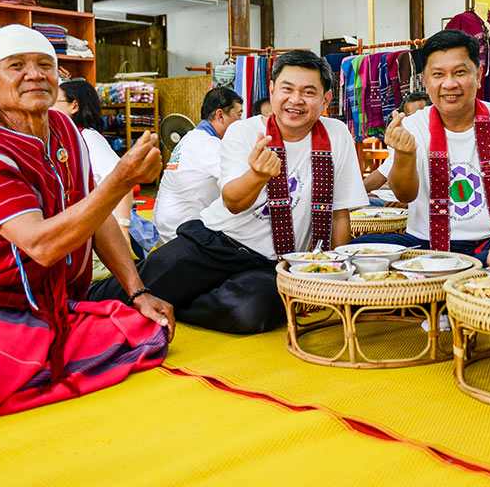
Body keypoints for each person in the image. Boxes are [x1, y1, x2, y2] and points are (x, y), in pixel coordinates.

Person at [0, 24, 174, 424]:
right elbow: (41, 245)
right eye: (17, 65)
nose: (35, 74)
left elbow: (96, 214)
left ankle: (17, 368)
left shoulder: (66, 132)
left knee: (150, 332)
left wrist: (137, 291)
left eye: (44, 64)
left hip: (47, 301)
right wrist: (120, 182)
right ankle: (10, 367)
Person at [89, 50, 368, 334]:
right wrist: (257, 175)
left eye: (308, 92)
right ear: (272, 90)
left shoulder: (337, 135)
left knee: (248, 312)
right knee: (131, 288)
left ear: (326, 99)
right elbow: (233, 202)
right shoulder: (244, 132)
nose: (295, 100)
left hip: (273, 263)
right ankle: (84, 299)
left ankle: (175, 299)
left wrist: (333, 273)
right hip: (215, 241)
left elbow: (339, 213)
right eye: (287, 89)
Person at [353, 29, 490, 266]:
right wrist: (404, 155)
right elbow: (405, 195)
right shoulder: (413, 125)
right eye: (438, 74)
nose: (449, 83)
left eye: (460, 72)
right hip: (423, 244)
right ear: (425, 81)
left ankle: (434, 288)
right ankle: (463, 285)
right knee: (355, 252)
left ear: (479, 75)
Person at [52, 79, 135, 250]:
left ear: (74, 106)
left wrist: (123, 229)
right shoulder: (67, 138)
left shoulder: (89, 138)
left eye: (54, 101)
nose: (49, 107)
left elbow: (123, 181)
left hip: (106, 231)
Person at [152, 87, 243, 243]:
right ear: (220, 115)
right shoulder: (207, 144)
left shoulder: (191, 138)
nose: (241, 122)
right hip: (179, 233)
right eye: (239, 115)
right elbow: (240, 182)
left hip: (164, 226)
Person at [362, 92, 431, 195]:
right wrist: (356, 196)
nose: (415, 122)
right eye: (409, 117)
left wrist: (408, 202)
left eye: (419, 116)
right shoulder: (401, 139)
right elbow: (382, 173)